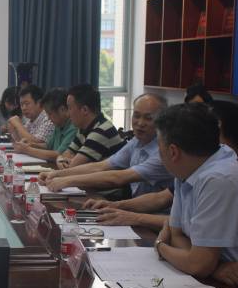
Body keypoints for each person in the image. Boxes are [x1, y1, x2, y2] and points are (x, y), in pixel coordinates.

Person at [85, 99, 238, 231]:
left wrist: (157, 239)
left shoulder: (218, 178)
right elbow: (163, 200)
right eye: (136, 115)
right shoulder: (187, 169)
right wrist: (116, 206)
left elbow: (198, 250)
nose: (140, 123)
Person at [153, 103, 238, 278]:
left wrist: (160, 245)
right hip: (219, 277)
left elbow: (198, 265)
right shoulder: (186, 170)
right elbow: (177, 235)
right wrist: (211, 267)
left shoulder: (218, 179)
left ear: (173, 152)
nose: (158, 153)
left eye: (159, 147)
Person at [41, 93, 173, 197]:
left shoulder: (164, 152)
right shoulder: (136, 141)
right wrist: (57, 174)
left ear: (162, 121)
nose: (140, 123)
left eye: (148, 118)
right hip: (133, 204)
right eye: (136, 116)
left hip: (152, 214)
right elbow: (101, 166)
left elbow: (118, 177)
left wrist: (66, 180)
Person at [54, 84, 125, 169]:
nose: (68, 114)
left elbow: (72, 168)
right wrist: (60, 159)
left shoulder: (101, 131)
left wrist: (62, 160)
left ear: (85, 110)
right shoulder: (83, 129)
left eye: (69, 108)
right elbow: (66, 155)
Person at [13, 88, 77, 161]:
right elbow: (48, 146)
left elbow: (58, 154)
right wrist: (31, 144)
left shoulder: (73, 127)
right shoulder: (59, 124)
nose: (49, 118)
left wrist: (27, 150)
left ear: (62, 109)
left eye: (50, 114)